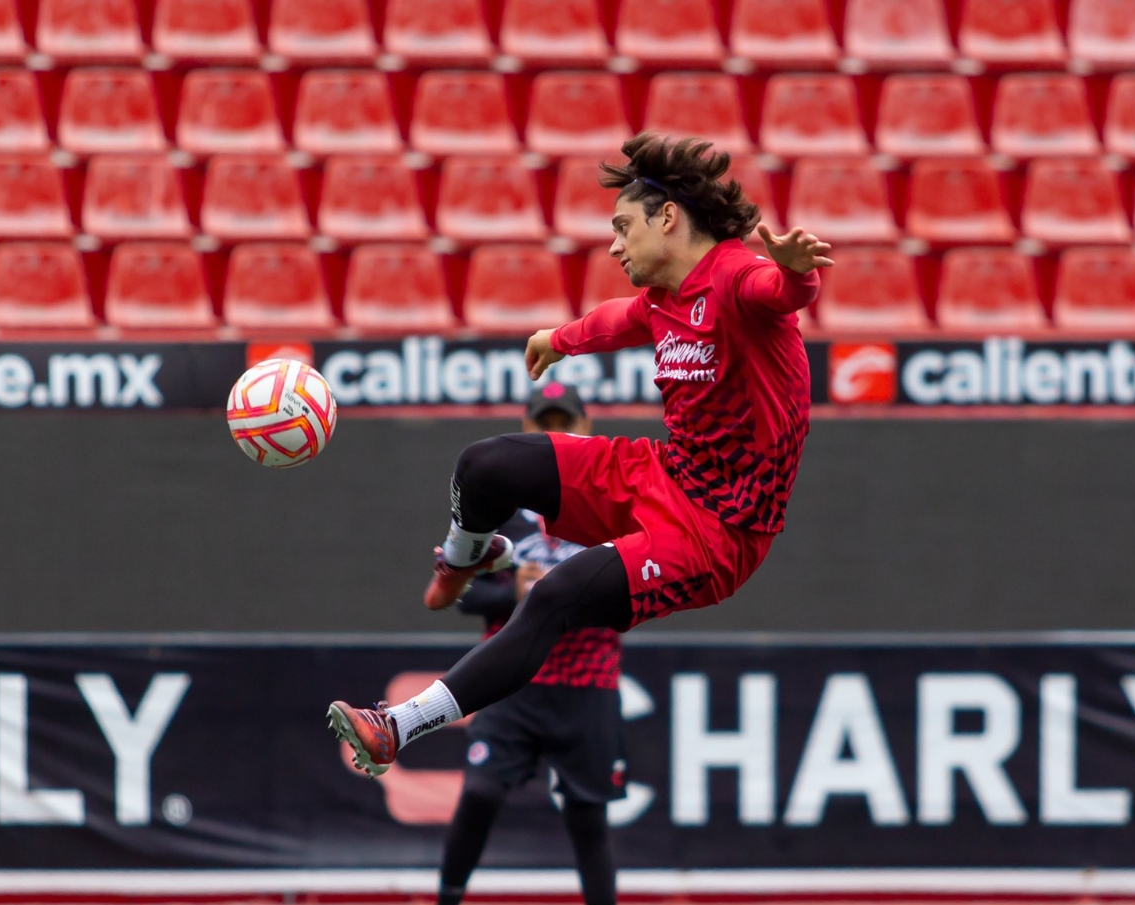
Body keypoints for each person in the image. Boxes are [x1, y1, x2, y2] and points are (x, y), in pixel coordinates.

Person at [329, 131, 831, 819]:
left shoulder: (738, 278)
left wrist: (800, 272)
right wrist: (555, 340)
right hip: (661, 474)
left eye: (622, 227)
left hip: (717, 535)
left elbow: (780, 292)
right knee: (486, 464)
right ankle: (469, 556)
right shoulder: (664, 297)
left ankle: (396, 727)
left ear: (667, 218)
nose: (616, 245)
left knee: (554, 596)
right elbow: (616, 321)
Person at [430, 382, 632, 905]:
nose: (559, 430)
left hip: (588, 684)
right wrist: (516, 592)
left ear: (586, 424)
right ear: (527, 426)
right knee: (481, 797)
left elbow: (637, 595)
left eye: (566, 421)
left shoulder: (614, 510)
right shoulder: (504, 515)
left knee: (587, 816)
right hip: (512, 684)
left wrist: (566, 594)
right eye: (547, 423)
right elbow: (455, 595)